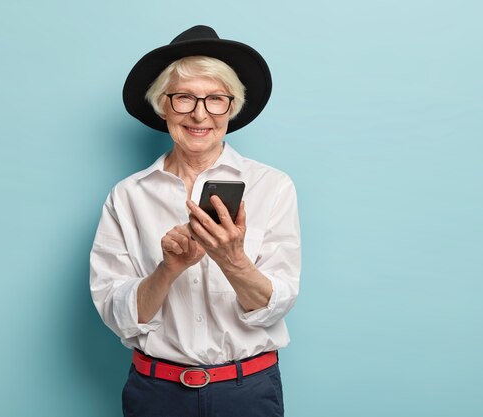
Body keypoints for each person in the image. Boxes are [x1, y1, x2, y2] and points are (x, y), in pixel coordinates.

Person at [90, 25, 300, 417]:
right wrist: (167, 269)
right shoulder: (128, 196)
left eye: (216, 99)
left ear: (232, 107)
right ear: (162, 106)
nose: (200, 114)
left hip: (247, 392)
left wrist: (232, 258)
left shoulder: (272, 186)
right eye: (184, 98)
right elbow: (116, 314)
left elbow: (277, 305)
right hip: (156, 394)